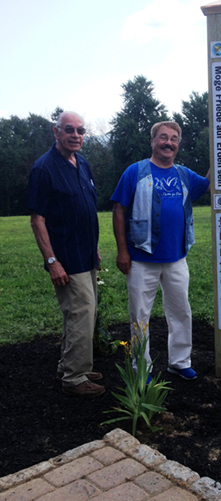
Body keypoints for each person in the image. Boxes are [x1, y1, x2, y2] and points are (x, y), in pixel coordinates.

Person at [111, 121, 210, 380]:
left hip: (176, 258)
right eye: (163, 137)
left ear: (178, 144)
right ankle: (141, 368)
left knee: (181, 311)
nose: (168, 142)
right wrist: (123, 251)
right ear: (152, 141)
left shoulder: (184, 174)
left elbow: (210, 182)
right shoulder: (135, 172)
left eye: (174, 138)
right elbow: (119, 210)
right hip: (141, 258)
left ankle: (179, 361)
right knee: (140, 316)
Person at [28, 111, 104, 397]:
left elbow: (86, 209)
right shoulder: (44, 168)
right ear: (55, 132)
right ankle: (74, 378)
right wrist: (52, 261)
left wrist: (95, 247)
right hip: (66, 257)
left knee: (81, 314)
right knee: (82, 313)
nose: (76, 135)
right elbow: (38, 220)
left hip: (86, 253)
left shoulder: (81, 163)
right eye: (69, 129)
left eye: (81, 131)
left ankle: (70, 364)